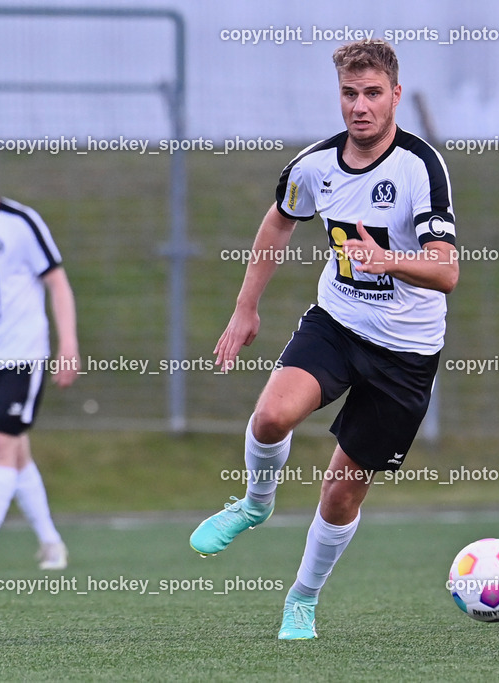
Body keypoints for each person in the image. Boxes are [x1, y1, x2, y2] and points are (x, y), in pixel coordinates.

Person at [189, 39, 457, 640]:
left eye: (372, 94)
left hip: (407, 354)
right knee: (268, 419)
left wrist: (385, 259)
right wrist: (245, 308)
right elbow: (280, 219)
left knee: (340, 493)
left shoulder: (420, 168)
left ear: (394, 94)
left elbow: (447, 271)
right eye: (349, 94)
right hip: (337, 325)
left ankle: (301, 600)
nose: (360, 107)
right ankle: (255, 503)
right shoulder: (315, 165)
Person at [0, 134, 79, 572]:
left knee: (0, 442)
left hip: (21, 352)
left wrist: (67, 345)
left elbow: (57, 282)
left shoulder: (20, 222)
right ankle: (51, 542)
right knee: (15, 450)